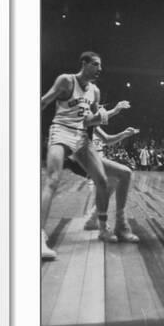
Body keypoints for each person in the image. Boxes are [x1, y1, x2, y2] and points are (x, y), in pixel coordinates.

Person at [40, 51, 132, 259]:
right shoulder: (66, 81)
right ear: (84, 63)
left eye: (101, 66)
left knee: (102, 180)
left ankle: (102, 227)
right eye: (96, 64)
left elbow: (89, 120)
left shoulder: (95, 92)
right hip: (61, 130)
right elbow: (44, 101)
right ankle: (38, 236)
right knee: (53, 180)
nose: (100, 69)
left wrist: (109, 113)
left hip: (81, 136)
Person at [82, 126, 140, 233]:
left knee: (111, 182)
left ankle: (92, 219)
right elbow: (106, 138)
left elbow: (107, 139)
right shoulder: (85, 120)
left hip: (96, 158)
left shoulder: (94, 125)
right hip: (87, 158)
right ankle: (114, 223)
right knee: (114, 180)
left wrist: (124, 133)